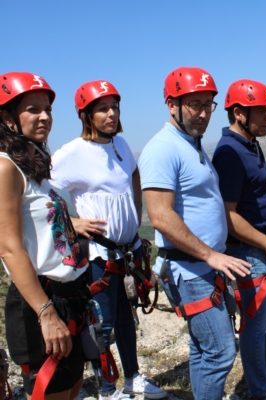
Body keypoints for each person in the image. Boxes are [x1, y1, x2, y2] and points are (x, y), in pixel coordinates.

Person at [138, 67, 251, 400]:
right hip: (190, 270)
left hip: (203, 267)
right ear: (172, 104)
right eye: (194, 104)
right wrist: (211, 255)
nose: (203, 113)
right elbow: (159, 216)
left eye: (208, 104)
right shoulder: (163, 149)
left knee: (203, 347)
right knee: (220, 353)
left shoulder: (191, 144)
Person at [50, 80, 166, 400]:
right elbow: (37, 188)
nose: (112, 113)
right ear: (86, 115)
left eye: (114, 107)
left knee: (126, 320)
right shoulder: (73, 152)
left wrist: (136, 219)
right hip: (100, 255)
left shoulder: (120, 145)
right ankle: (107, 389)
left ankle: (133, 380)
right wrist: (71, 221)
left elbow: (134, 176)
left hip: (126, 252)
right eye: (103, 108)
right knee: (104, 324)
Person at [0, 71, 89, 400]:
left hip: (68, 295)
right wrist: (47, 314)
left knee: (72, 388)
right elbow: (9, 248)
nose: (44, 117)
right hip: (39, 301)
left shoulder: (36, 161)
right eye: (32, 109)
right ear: (7, 118)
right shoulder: (6, 167)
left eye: (47, 109)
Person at [212, 79, 266, 399]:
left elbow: (253, 195)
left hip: (265, 244)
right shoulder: (230, 153)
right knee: (256, 325)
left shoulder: (249, 142)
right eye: (263, 111)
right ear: (239, 113)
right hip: (251, 251)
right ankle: (260, 390)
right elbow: (230, 216)